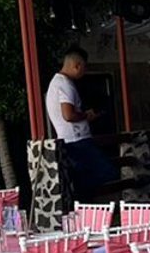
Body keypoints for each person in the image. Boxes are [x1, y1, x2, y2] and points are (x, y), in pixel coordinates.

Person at [46, 47, 116, 200]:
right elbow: (68, 115)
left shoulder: (56, 83)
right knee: (106, 171)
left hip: (71, 139)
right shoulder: (65, 85)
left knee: (89, 176)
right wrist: (87, 115)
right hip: (76, 139)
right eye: (84, 68)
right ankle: (80, 196)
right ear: (77, 65)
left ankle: (81, 198)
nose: (84, 72)